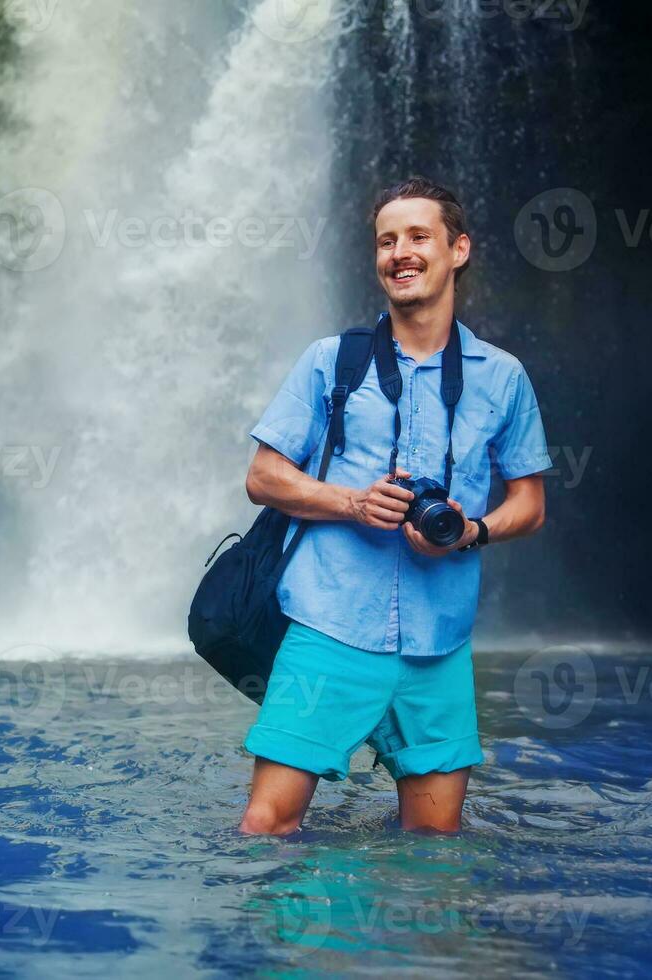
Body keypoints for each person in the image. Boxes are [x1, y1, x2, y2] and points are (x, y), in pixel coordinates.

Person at [237, 176, 552, 835]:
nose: (399, 252)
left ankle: (401, 938)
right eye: (386, 241)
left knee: (434, 846)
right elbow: (264, 476)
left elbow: (529, 502)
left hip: (439, 642)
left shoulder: (502, 377)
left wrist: (472, 531)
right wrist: (351, 502)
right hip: (329, 630)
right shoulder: (333, 362)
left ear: (458, 250)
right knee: (266, 827)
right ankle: (288, 941)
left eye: (417, 237)